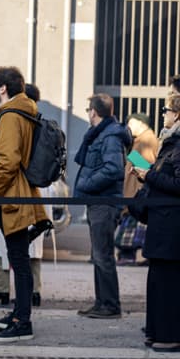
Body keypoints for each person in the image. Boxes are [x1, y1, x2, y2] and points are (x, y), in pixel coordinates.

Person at [0, 66, 50, 342]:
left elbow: (7, 160)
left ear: (2, 88)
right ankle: (18, 314)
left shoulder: (10, 115)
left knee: (19, 260)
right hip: (21, 193)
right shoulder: (21, 112)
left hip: (13, 195)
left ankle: (22, 321)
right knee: (19, 259)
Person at [74, 93, 131, 319]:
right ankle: (102, 303)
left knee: (103, 255)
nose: (88, 113)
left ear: (93, 112)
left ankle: (110, 305)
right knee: (99, 255)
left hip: (104, 203)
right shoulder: (102, 133)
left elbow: (113, 169)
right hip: (99, 202)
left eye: (88, 109)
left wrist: (86, 184)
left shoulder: (109, 136)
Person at [132, 94, 180, 351]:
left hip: (171, 226)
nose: (163, 115)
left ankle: (170, 335)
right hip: (163, 223)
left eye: (166, 110)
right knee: (157, 282)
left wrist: (149, 175)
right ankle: (157, 331)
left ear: (178, 114)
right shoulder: (170, 144)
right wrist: (145, 175)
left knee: (167, 284)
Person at [117, 113, 159, 266]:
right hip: (133, 191)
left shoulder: (147, 140)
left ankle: (129, 256)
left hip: (138, 192)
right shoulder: (139, 140)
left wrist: (132, 156)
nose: (129, 126)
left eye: (132, 123)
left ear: (141, 124)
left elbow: (147, 167)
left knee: (133, 230)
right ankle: (128, 255)